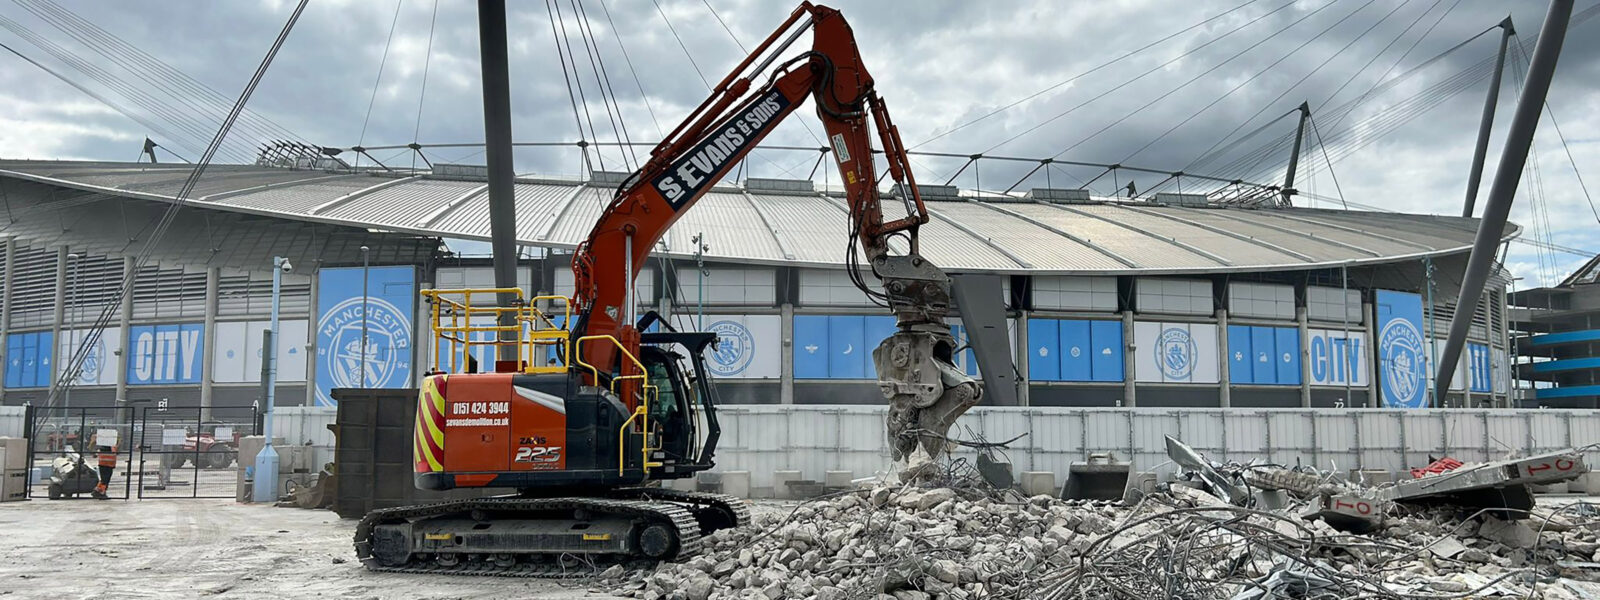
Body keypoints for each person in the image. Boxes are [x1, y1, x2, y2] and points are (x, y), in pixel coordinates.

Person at [91, 432, 117, 500]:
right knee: (105, 480)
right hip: (107, 465)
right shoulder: (109, 447)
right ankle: (102, 493)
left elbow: (95, 455)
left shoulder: (104, 447)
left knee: (103, 480)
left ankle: (97, 491)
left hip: (105, 465)